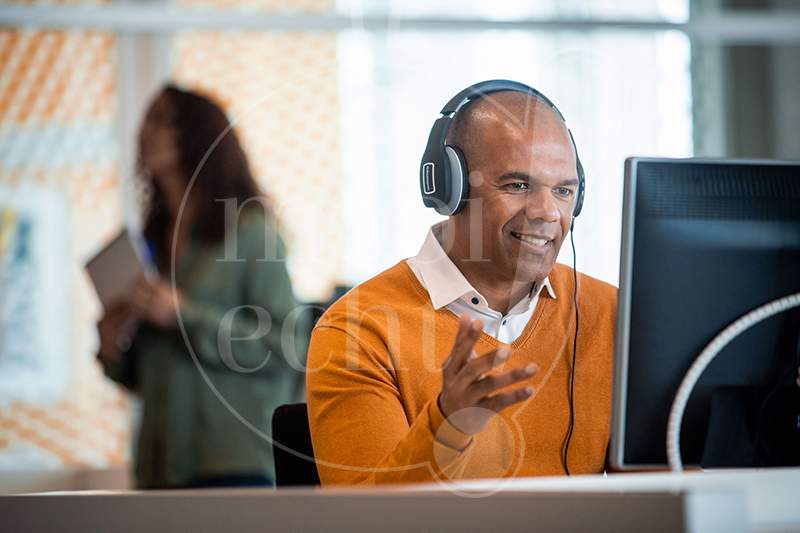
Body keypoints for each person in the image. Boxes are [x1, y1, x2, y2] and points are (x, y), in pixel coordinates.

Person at [306, 82, 617, 485]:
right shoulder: (358, 331)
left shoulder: (610, 313)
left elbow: (665, 490)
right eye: (517, 185)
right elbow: (367, 520)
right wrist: (446, 427)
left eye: (563, 190)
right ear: (448, 191)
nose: (547, 213)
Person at [97, 86, 308, 489]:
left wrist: (182, 314)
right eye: (145, 119)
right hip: (159, 471)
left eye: (160, 119)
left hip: (232, 467)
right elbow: (158, 372)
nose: (143, 131)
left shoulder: (251, 233)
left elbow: (289, 347)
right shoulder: (153, 245)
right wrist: (113, 351)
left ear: (196, 136)